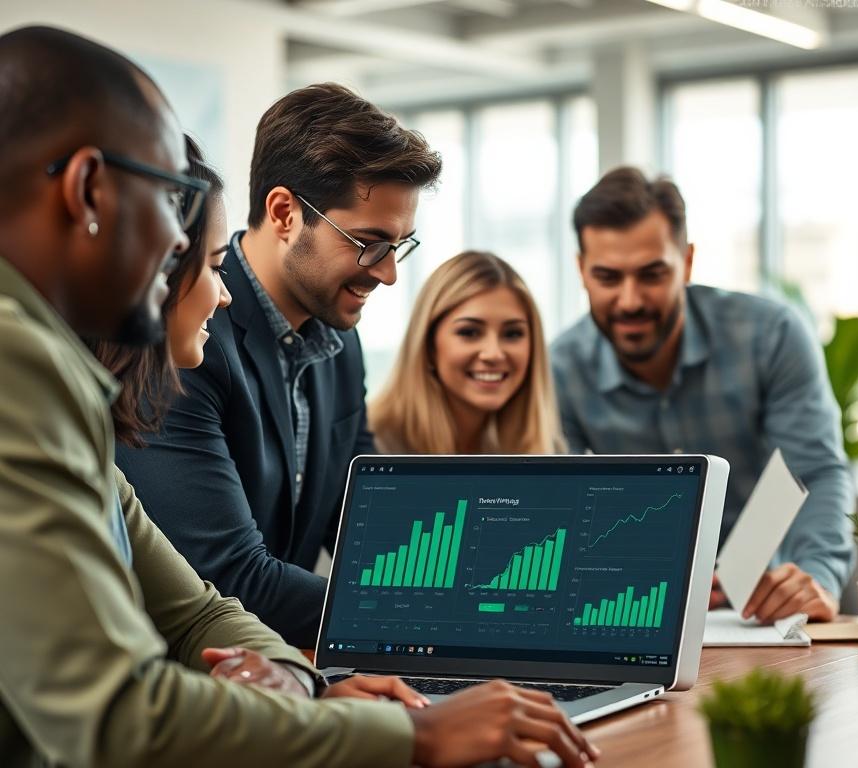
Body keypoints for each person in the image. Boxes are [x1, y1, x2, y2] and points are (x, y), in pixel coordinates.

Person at [0, 26, 599, 768]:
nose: (181, 248)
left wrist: (297, 676)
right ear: (88, 189)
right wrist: (423, 714)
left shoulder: (68, 378)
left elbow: (204, 612)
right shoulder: (31, 362)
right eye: (171, 200)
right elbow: (130, 704)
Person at [117, 82, 442, 647]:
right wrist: (441, 618)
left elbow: (370, 525)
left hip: (280, 663)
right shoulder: (184, 340)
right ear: (285, 213)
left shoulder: (340, 334)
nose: (388, 273)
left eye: (400, 245)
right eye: (369, 242)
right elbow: (232, 577)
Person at [551, 167, 855, 624]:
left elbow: (813, 471)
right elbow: (563, 517)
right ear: (581, 271)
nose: (630, 300)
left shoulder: (771, 334)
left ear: (687, 261)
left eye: (652, 274)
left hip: (769, 609)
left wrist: (818, 576)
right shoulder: (561, 368)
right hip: (638, 612)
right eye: (608, 277)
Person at [369, 250, 564, 454]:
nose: (494, 353)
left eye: (513, 334)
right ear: (428, 345)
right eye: (469, 332)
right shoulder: (371, 445)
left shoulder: (545, 449)